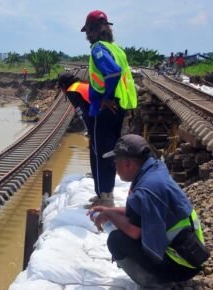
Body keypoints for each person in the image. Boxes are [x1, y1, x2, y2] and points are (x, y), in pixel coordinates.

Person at [89, 134, 206, 287]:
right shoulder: (155, 171)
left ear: (127, 164)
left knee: (116, 240)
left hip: (181, 264)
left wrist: (109, 215)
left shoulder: (145, 190)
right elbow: (141, 211)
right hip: (192, 254)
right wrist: (110, 210)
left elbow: (134, 231)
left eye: (115, 163)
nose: (115, 168)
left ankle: (157, 285)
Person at [81, 10, 138, 207]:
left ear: (92, 30)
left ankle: (105, 198)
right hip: (119, 107)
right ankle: (106, 194)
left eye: (88, 31)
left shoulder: (98, 48)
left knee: (100, 151)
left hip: (105, 109)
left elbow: (113, 72)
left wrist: (106, 98)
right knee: (108, 151)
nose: (87, 35)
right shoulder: (117, 49)